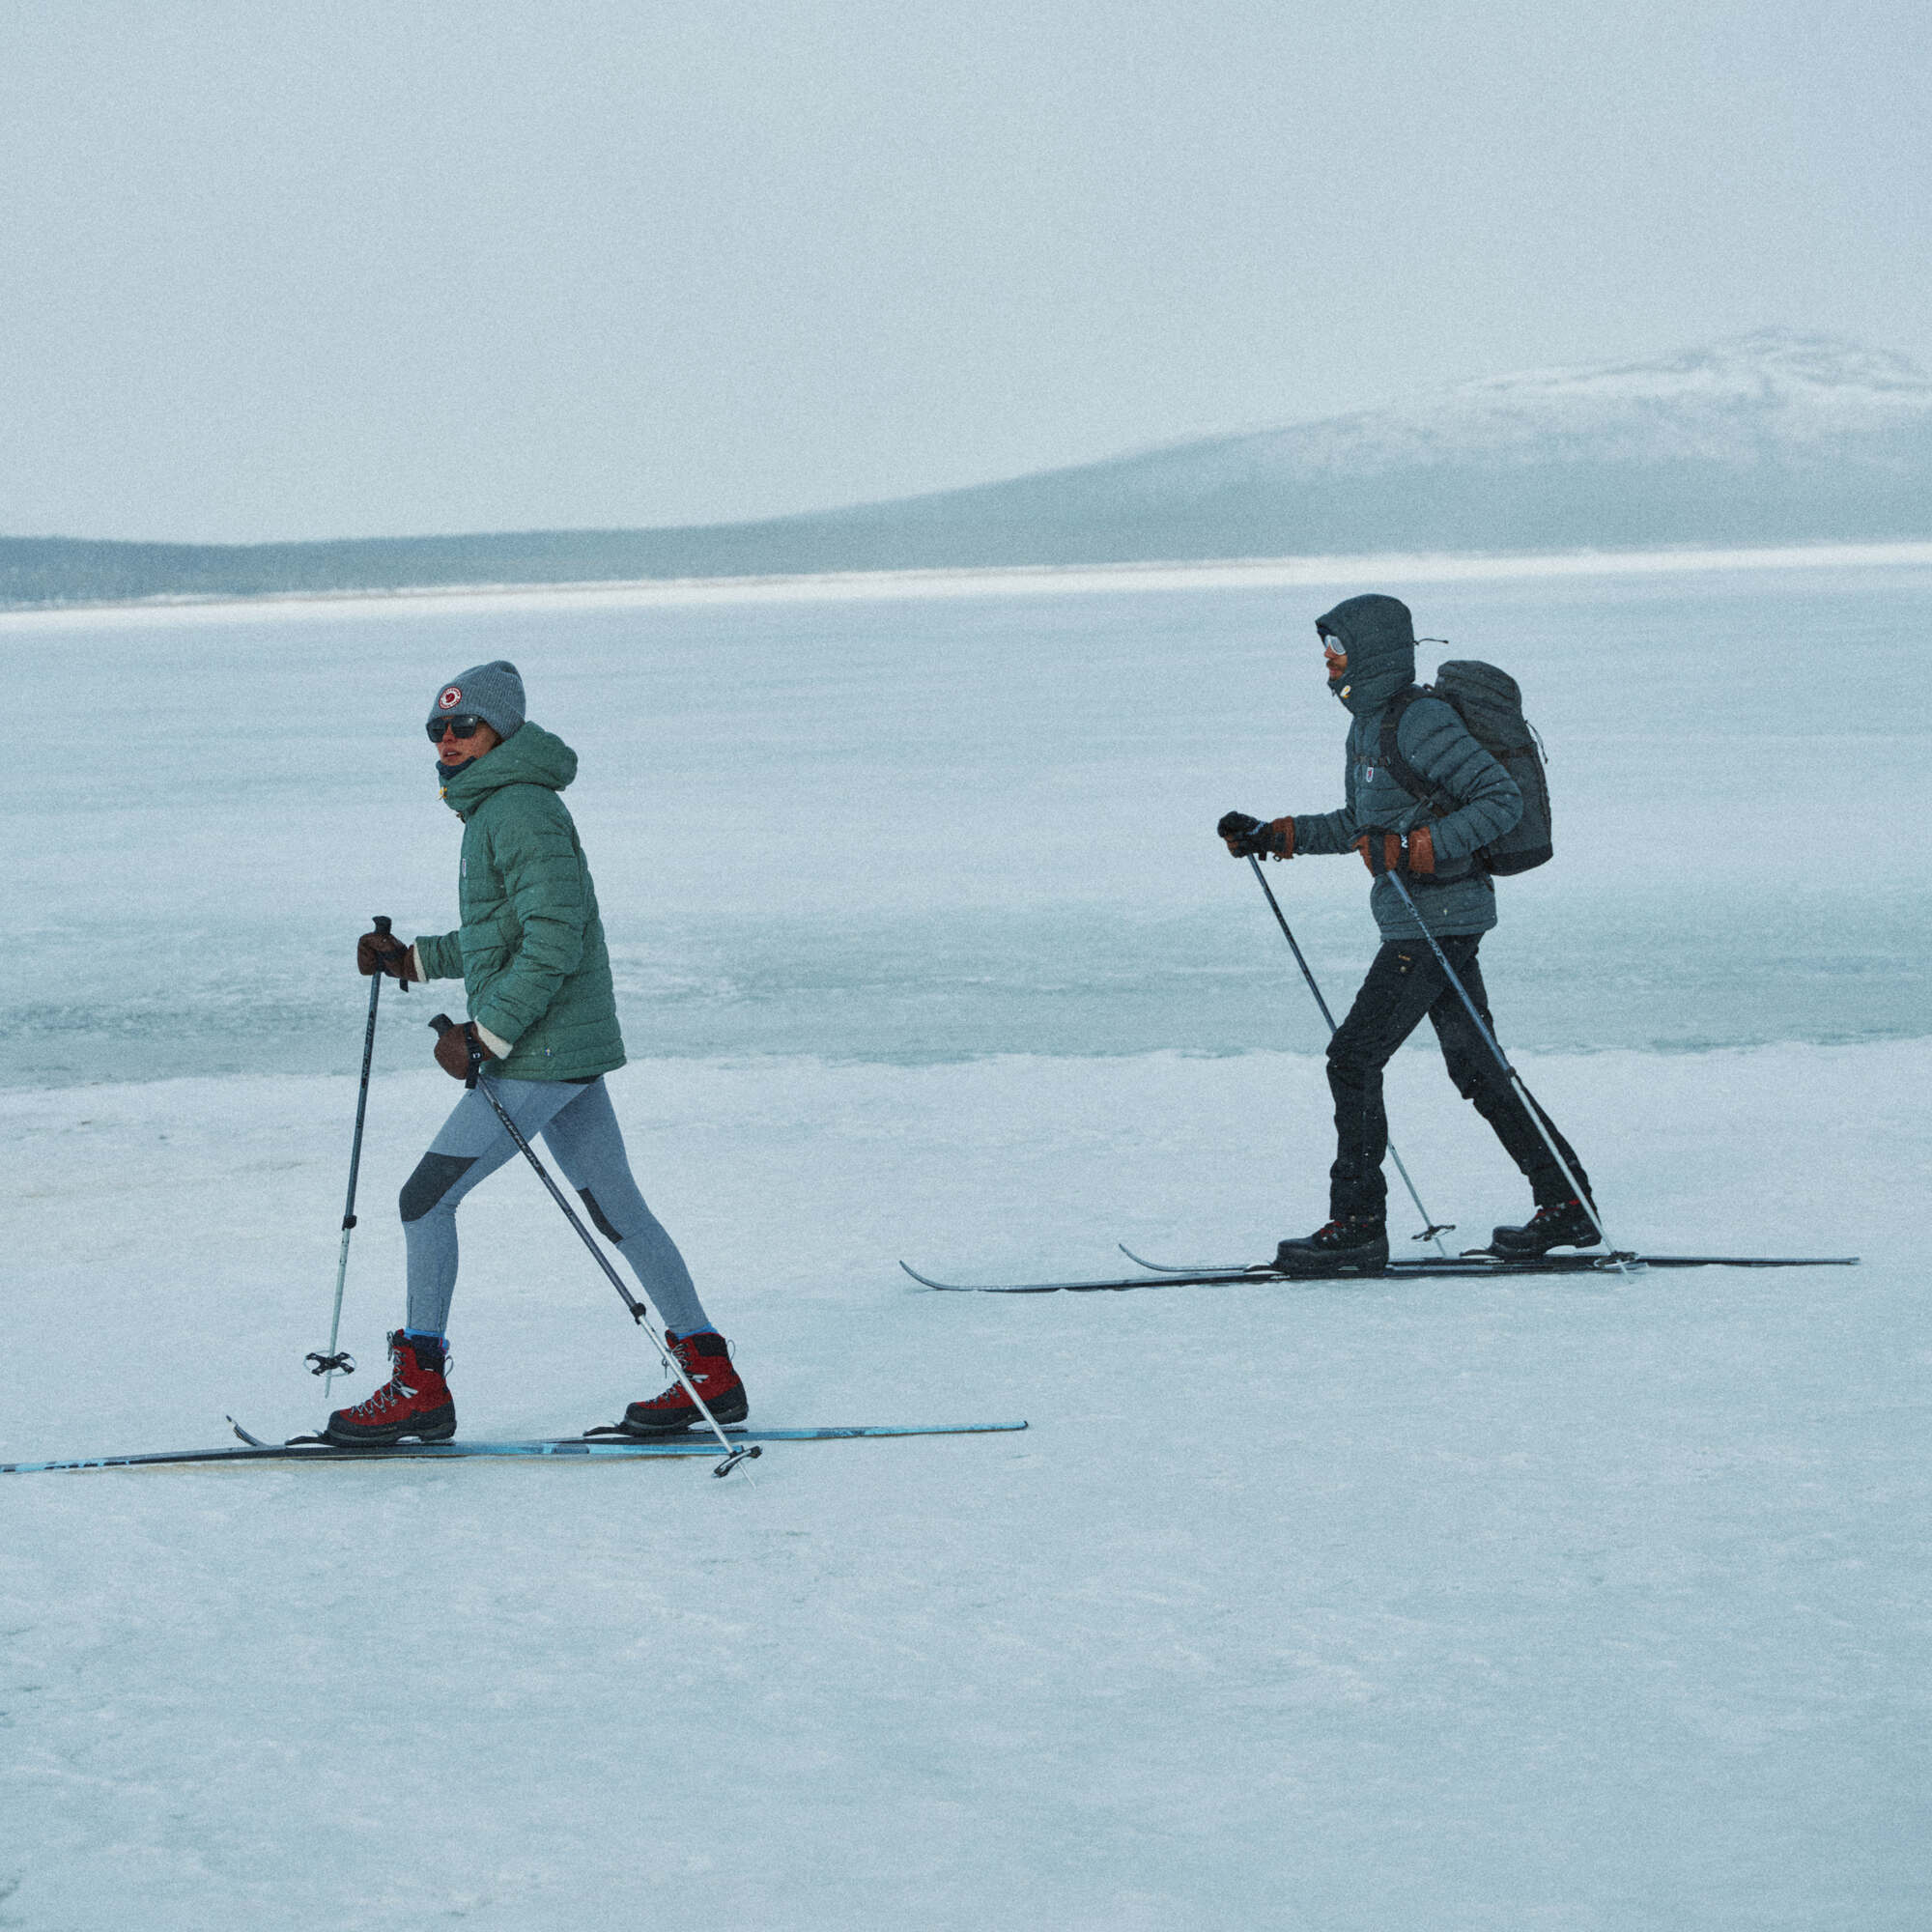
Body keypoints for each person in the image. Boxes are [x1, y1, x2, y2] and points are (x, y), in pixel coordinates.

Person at [324, 659, 748, 1444]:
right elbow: (504, 936)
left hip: (541, 1051)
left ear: (502, 731)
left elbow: (557, 937)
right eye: (437, 729)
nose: (448, 742)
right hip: (563, 1047)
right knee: (619, 1209)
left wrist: (488, 1035)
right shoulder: (500, 808)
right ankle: (708, 1374)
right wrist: (413, 959)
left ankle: (420, 1385)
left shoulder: (515, 809)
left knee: (426, 1200)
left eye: (465, 727)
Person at [1216, 593, 1595, 1276]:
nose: (1328, 662)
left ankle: (1358, 1226)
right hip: (1424, 921)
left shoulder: (1421, 721)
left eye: (1338, 649)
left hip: (1437, 922)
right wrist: (1275, 836)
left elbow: (1499, 801)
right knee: (1478, 1069)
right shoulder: (1369, 727)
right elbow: (1364, 827)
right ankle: (1566, 1204)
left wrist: (1420, 849)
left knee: (1353, 1059)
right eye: (1326, 650)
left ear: (1372, 653)